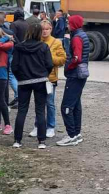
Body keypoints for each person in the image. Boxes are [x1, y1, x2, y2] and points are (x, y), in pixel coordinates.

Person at [11, 20, 53, 149]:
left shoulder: (19, 47)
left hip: (24, 81)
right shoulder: (44, 47)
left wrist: (20, 78)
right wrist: (44, 74)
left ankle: (17, 140)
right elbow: (49, 64)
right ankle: (41, 141)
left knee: (22, 110)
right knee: (40, 110)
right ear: (39, 33)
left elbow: (14, 66)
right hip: (40, 81)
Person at [57, 14, 89, 147]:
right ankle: (76, 133)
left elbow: (77, 58)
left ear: (74, 24)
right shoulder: (83, 35)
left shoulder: (76, 38)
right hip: (81, 75)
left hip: (75, 75)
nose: (68, 25)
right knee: (76, 105)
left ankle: (71, 135)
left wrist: (68, 67)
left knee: (66, 106)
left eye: (69, 23)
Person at [31, 20, 66, 139]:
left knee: (49, 103)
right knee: (38, 103)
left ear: (51, 29)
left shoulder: (56, 42)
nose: (44, 31)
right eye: (42, 29)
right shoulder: (36, 41)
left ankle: (51, 127)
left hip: (50, 78)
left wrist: (48, 57)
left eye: (47, 29)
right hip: (36, 77)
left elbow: (62, 59)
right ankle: (38, 125)